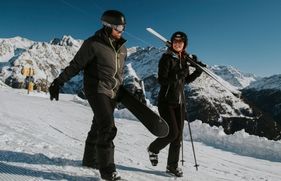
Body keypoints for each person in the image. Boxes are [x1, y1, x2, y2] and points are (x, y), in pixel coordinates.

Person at [48, 10, 127, 181]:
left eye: (123, 28)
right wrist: (58, 82)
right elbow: (76, 65)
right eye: (118, 27)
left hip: (112, 92)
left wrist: (124, 91)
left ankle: (90, 159)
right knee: (108, 126)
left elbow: (118, 74)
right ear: (107, 26)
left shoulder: (122, 49)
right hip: (96, 89)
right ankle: (108, 170)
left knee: (98, 125)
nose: (121, 31)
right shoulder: (92, 44)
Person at [147, 31, 203, 177]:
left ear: (184, 44)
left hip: (180, 102)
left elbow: (185, 81)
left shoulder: (183, 59)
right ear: (172, 43)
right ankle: (153, 148)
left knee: (178, 138)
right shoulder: (166, 58)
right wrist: (176, 75)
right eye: (175, 41)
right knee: (172, 133)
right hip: (166, 102)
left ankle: (172, 166)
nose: (178, 44)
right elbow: (162, 80)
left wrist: (197, 71)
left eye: (181, 42)